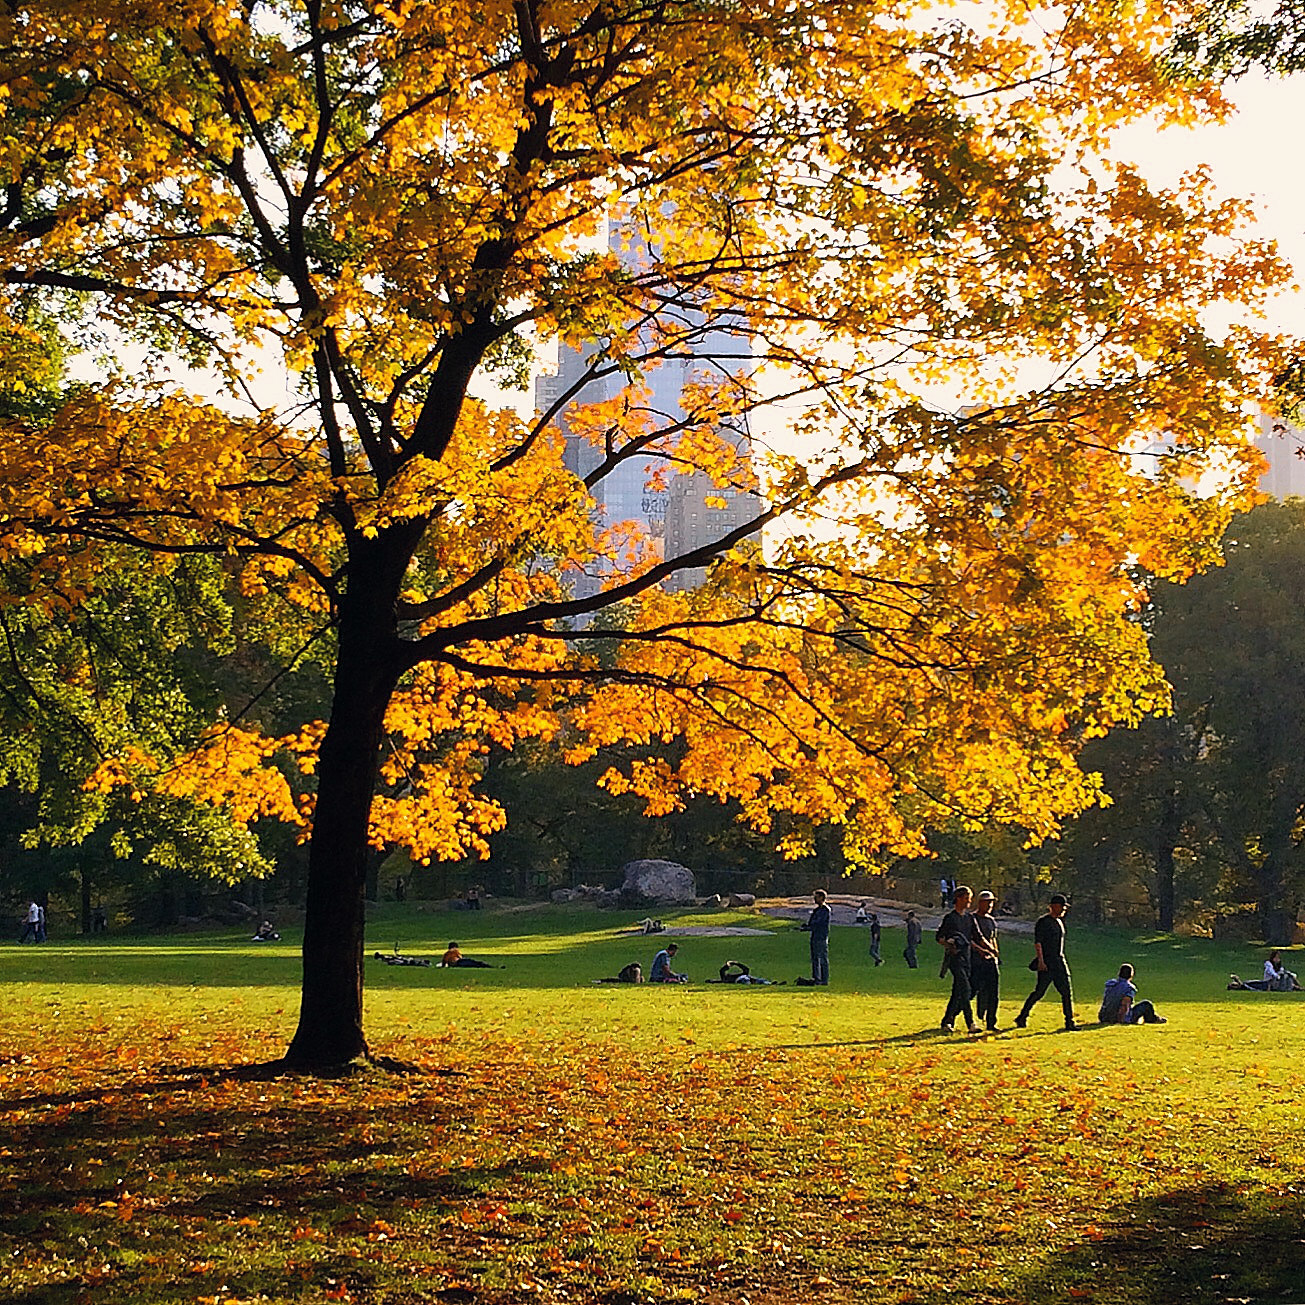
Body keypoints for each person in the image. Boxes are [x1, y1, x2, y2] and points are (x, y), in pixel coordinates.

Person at [1014, 893, 1077, 1030]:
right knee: (1039, 992)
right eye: (1062, 907)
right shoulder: (1043, 922)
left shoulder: (1059, 922)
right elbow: (1038, 943)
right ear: (1054, 906)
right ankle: (1022, 1016)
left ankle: (1069, 1022)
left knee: (1066, 992)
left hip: (1059, 960)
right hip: (1048, 962)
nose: (1063, 910)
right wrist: (1041, 961)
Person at [970, 889, 1001, 1030]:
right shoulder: (972, 919)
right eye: (987, 903)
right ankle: (953, 1016)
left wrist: (995, 953)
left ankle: (991, 1023)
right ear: (980, 903)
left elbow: (992, 938)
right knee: (972, 990)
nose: (990, 906)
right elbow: (970, 940)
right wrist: (981, 951)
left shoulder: (991, 921)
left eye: (991, 903)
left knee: (993, 993)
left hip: (990, 960)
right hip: (976, 961)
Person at [1099, 963, 1167, 1024]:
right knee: (1146, 1004)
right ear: (1131, 975)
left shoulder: (1110, 984)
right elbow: (1124, 1005)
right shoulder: (1129, 988)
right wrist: (1121, 1021)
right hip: (1118, 1017)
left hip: (1104, 1016)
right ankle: (1153, 1020)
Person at [798, 888, 832, 985]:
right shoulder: (816, 910)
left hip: (821, 937)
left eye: (816, 897)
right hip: (814, 936)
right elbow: (812, 922)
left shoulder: (825, 910)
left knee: (823, 958)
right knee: (815, 958)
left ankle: (824, 979)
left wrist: (810, 926)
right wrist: (806, 927)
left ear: (821, 898)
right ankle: (816, 979)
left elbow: (819, 923)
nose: (814, 899)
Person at [1228, 949, 1303, 991]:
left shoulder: (1279, 966)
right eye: (1276, 958)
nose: (1277, 960)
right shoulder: (1268, 964)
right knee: (1249, 984)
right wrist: (1277, 976)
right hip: (1267, 983)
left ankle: (1299, 987)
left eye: (1278, 958)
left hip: (1275, 982)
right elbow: (1271, 971)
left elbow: (1282, 971)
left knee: (1290, 976)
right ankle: (1298, 988)